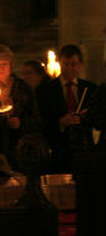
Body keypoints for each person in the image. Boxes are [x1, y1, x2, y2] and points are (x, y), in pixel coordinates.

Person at [36, 44, 97, 173]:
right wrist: (60, 122)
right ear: (60, 64)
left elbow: (98, 119)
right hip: (58, 151)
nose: (69, 68)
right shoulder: (45, 90)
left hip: (85, 151)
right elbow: (40, 121)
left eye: (73, 64)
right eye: (65, 64)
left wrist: (87, 116)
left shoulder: (90, 88)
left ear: (80, 65)